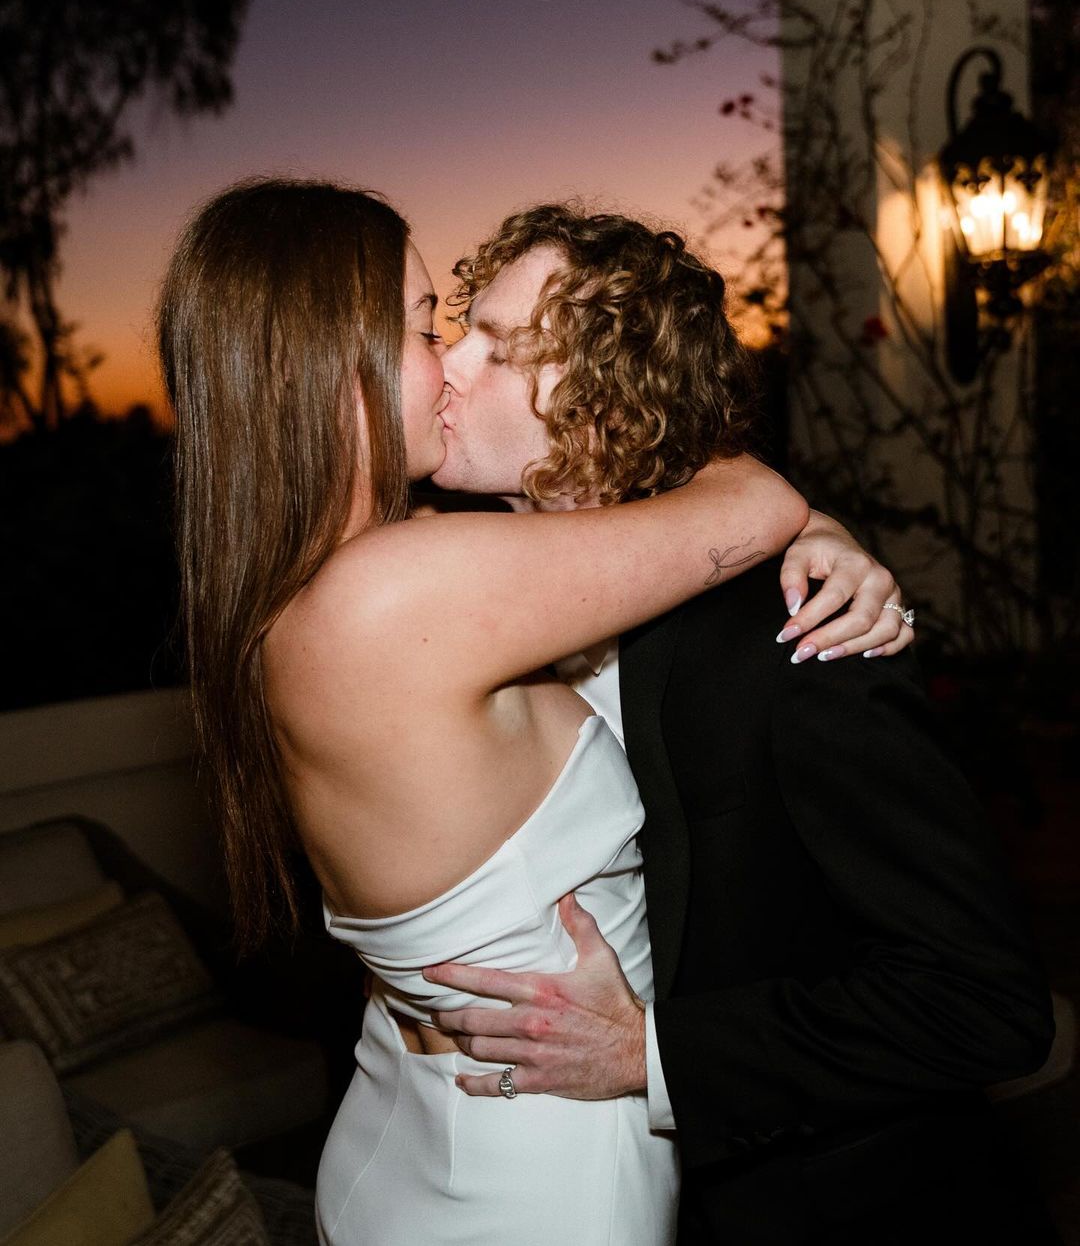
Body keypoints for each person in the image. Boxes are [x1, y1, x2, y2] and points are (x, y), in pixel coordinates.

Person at [157, 178, 896, 1246]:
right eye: (424, 330)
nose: (451, 364)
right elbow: (748, 504)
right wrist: (810, 520)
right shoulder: (397, 592)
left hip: (407, 1111)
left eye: (475, 338)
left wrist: (805, 526)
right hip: (530, 1165)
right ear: (318, 365)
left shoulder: (325, 582)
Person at [424, 204, 1059, 1245]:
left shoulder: (797, 634)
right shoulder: (462, 607)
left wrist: (653, 1056)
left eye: (497, 346)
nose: (450, 365)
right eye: (457, 330)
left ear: (601, 409)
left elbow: (983, 1000)